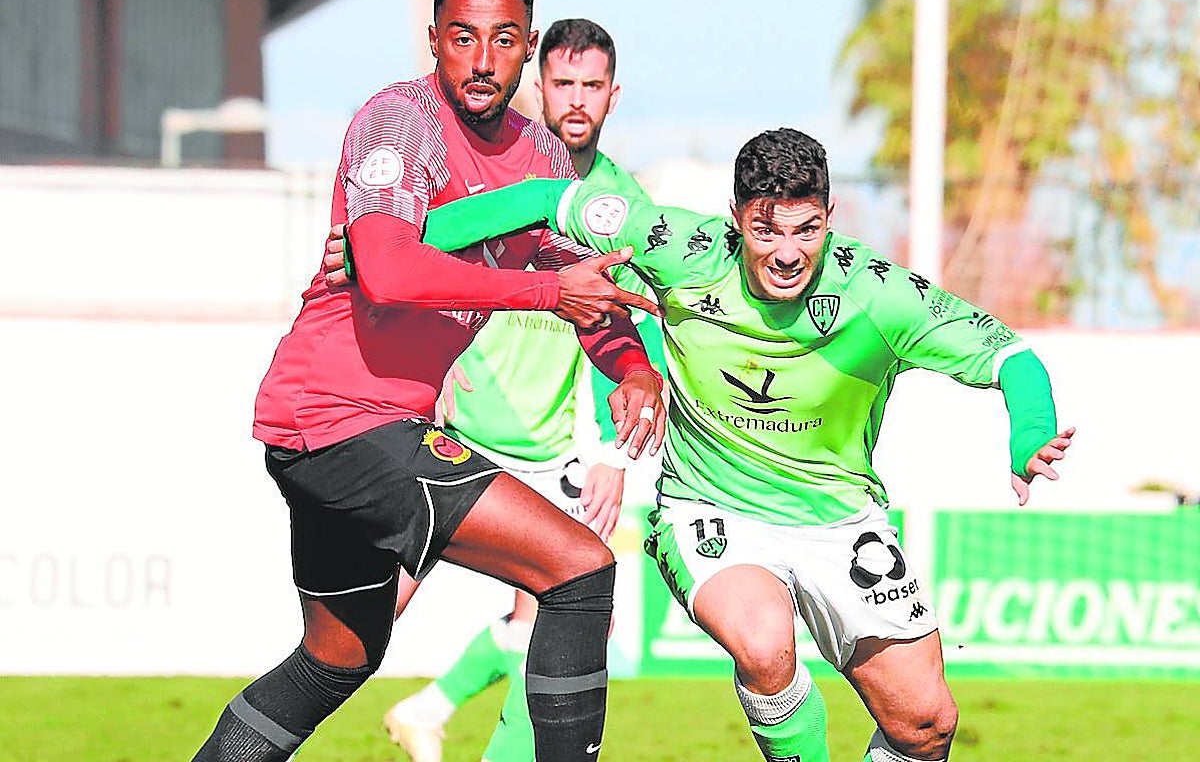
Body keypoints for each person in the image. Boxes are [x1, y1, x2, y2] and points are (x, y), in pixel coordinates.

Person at [335, 127, 1075, 762]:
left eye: (806, 229)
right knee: (763, 641)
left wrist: (1030, 431)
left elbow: (1011, 356)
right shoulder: (681, 245)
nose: (787, 252)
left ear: (830, 217)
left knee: (925, 723)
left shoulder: (881, 293)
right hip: (709, 510)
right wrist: (392, 249)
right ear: (733, 220)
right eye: (765, 229)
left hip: (842, 520)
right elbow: (537, 200)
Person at [189, 0, 666, 762]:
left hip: (361, 428)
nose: (483, 61)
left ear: (529, 46)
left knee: (337, 657)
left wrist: (631, 366)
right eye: (463, 37)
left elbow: (580, 284)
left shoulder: (543, 159)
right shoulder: (398, 120)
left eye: (504, 39)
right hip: (338, 416)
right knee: (580, 570)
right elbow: (388, 266)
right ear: (435, 39)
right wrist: (555, 296)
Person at [378, 18, 667, 762]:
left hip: (548, 448)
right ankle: (400, 707)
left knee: (567, 622)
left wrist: (615, 453)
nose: (576, 99)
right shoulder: (493, 168)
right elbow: (416, 260)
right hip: (459, 424)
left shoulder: (619, 204)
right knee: (371, 618)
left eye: (591, 85)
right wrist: (425, 376)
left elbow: (642, 324)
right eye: (563, 83)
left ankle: (441, 718)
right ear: (540, 85)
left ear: (613, 94)